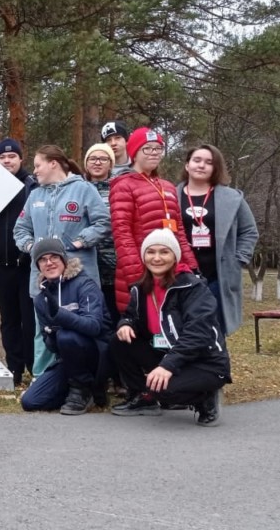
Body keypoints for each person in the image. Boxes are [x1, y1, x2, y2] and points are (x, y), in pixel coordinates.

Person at [111, 229, 231, 426]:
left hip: (205, 361)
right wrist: (126, 324)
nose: (156, 258)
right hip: (167, 352)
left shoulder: (193, 288)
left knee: (162, 391)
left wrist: (168, 366)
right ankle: (143, 398)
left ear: (175, 256)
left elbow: (198, 334)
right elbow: (131, 315)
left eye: (164, 252)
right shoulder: (140, 288)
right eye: (151, 252)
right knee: (119, 341)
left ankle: (206, 397)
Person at [14, 145, 110, 377]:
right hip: (42, 277)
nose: (34, 171)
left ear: (53, 163)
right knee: (43, 329)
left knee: (81, 328)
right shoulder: (35, 195)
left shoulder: (84, 190)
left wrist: (80, 241)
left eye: (38, 165)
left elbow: (103, 223)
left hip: (78, 275)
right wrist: (32, 248)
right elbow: (20, 230)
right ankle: (43, 377)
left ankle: (87, 380)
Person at [109, 127, 198, 315]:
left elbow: (179, 231)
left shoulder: (167, 186)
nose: (154, 153)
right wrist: (137, 277)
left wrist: (192, 267)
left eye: (158, 148)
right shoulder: (123, 185)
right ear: (134, 152)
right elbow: (122, 232)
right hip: (141, 272)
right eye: (147, 148)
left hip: (169, 270)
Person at [177, 144, 259, 336]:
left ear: (216, 168)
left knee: (215, 332)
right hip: (181, 276)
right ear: (187, 165)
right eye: (197, 160)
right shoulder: (170, 196)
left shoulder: (232, 198)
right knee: (183, 331)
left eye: (209, 162)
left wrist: (238, 259)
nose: (201, 166)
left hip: (217, 278)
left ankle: (215, 365)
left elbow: (249, 231)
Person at [20, 239, 108, 415]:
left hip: (98, 355)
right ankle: (77, 390)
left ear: (64, 260)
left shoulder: (84, 285)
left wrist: (59, 316)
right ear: (38, 266)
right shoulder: (40, 298)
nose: (49, 263)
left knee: (66, 336)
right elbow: (51, 345)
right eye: (43, 260)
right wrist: (51, 335)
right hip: (68, 359)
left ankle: (85, 388)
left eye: (54, 257)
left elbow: (94, 326)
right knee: (30, 401)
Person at [0, 137, 37, 386]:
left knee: (30, 321)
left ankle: (35, 369)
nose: (7, 161)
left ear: (21, 159)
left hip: (27, 267)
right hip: (1, 267)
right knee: (9, 321)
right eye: (2, 157)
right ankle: (14, 369)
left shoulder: (32, 186)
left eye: (12, 157)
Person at [83, 143, 119, 321]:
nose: (97, 162)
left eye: (103, 159)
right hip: (86, 264)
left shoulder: (119, 189)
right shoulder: (77, 189)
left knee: (113, 314)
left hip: (115, 265)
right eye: (93, 158)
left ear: (111, 164)